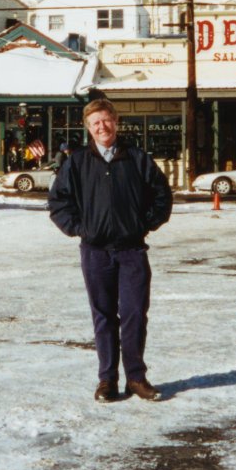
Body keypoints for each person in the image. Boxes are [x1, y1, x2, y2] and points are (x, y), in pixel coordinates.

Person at [48, 98, 173, 403]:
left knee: (133, 314)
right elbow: (58, 203)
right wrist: (80, 228)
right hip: (95, 252)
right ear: (88, 128)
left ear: (116, 122)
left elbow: (162, 195)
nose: (102, 127)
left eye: (106, 120)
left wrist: (143, 224)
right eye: (95, 123)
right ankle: (107, 380)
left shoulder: (137, 158)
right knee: (103, 316)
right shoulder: (76, 162)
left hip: (132, 251)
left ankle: (136, 378)